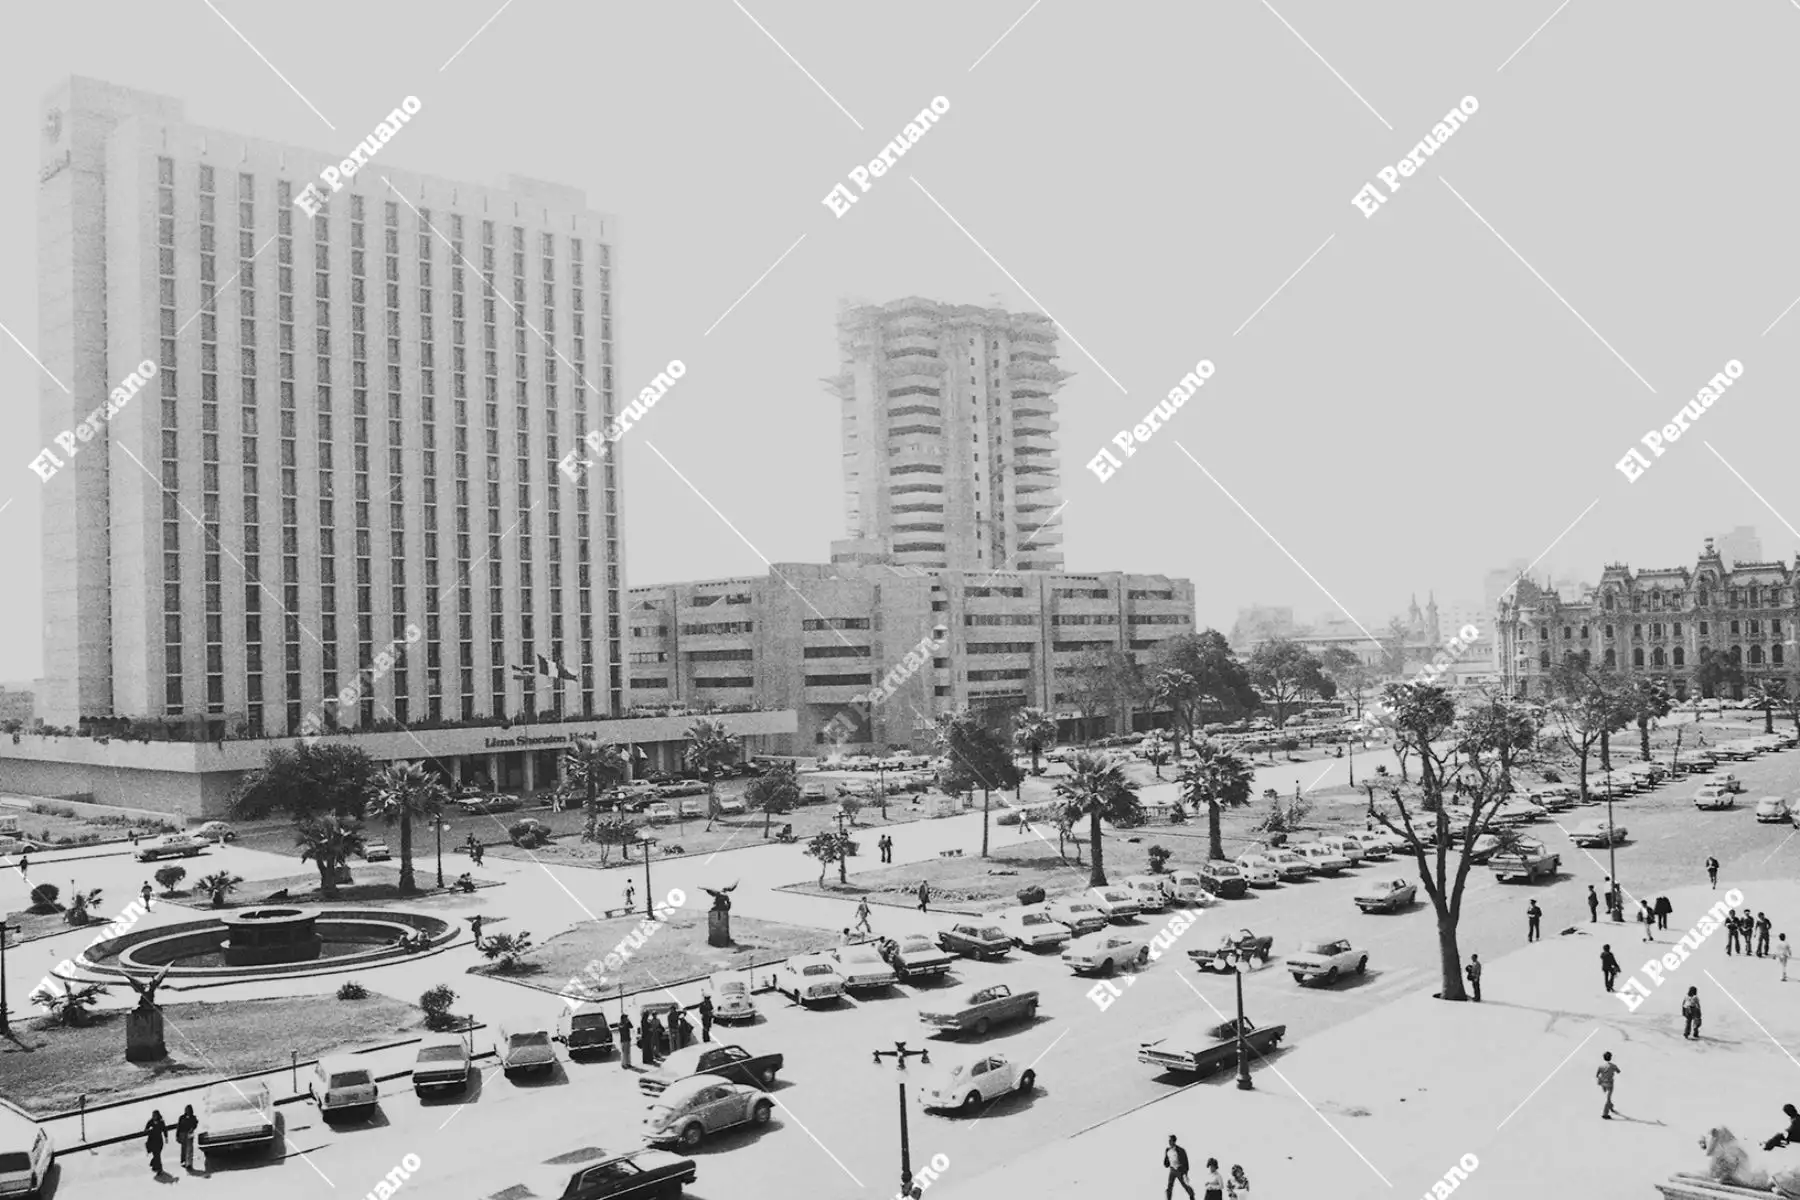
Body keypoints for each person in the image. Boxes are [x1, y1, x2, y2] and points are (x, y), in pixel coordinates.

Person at [1164, 1135, 1196, 1200]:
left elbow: (1186, 1162)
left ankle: (1192, 1196)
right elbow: (1167, 1160)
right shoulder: (1167, 1150)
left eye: (1170, 1140)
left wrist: (1185, 1173)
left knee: (1185, 1184)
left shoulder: (1180, 1150)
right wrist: (1166, 1163)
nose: (1169, 1142)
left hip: (1180, 1170)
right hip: (1172, 1170)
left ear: (1174, 1141)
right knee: (1169, 1186)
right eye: (1169, 1141)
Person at [1596, 1051, 1620, 1119]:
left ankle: (1610, 1106)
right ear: (1611, 1057)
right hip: (1609, 1083)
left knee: (1608, 1096)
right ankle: (1605, 1114)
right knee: (1608, 1097)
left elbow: (1597, 1075)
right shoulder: (1613, 1066)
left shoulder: (1600, 1066)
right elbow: (1618, 1071)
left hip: (1603, 1083)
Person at [144, 1110, 168, 1175]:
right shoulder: (150, 1122)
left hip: (159, 1140)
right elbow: (145, 1130)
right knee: (156, 1155)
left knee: (157, 1155)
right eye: (153, 1115)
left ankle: (157, 1167)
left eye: (155, 1115)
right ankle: (157, 1167)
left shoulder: (161, 1122)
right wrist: (149, 1130)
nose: (154, 1116)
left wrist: (166, 1137)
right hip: (152, 1141)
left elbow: (164, 1130)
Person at [175, 1104, 198, 1170]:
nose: (187, 1111)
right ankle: (183, 1161)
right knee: (183, 1148)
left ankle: (189, 1163)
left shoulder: (193, 1117)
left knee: (190, 1148)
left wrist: (192, 1128)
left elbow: (195, 1124)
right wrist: (177, 1135)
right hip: (182, 1133)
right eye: (186, 1109)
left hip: (190, 1133)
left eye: (188, 1110)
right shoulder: (182, 1117)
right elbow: (178, 1127)